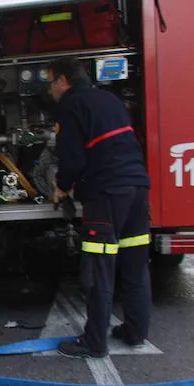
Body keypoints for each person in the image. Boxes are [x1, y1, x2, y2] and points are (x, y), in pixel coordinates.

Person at [47, 57, 152, 359]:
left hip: (106, 193)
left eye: (51, 81)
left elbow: (73, 160)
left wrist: (61, 187)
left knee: (100, 269)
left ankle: (94, 342)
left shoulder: (70, 106)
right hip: (136, 189)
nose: (50, 89)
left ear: (64, 80)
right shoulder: (109, 99)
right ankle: (135, 331)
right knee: (134, 266)